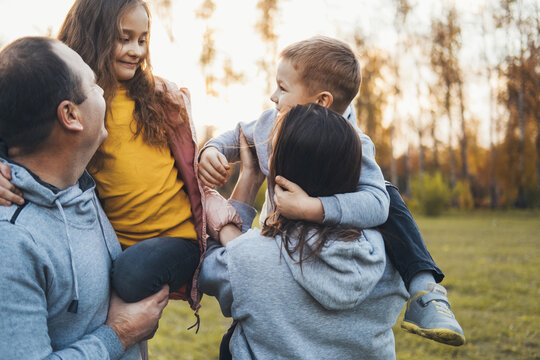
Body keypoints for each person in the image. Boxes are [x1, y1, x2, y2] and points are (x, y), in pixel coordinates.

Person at [198, 36, 465, 346]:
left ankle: (425, 290)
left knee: (389, 194)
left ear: (321, 100)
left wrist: (311, 207)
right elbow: (237, 136)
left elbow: (378, 203)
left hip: (310, 245)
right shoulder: (270, 122)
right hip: (276, 241)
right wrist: (212, 150)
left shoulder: (355, 145)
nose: (272, 97)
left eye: (283, 88)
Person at [0, 0, 240, 325]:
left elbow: (191, 155)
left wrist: (211, 155)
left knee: (129, 277)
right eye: (123, 38)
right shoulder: (75, 103)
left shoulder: (158, 100)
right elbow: (18, 122)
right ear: (93, 36)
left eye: (142, 40)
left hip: (175, 237)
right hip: (115, 241)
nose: (136, 50)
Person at [0, 36, 168, 359]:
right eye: (93, 85)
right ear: (71, 115)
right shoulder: (12, 242)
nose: (103, 91)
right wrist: (122, 333)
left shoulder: (80, 184)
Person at [199, 103, 409, 359]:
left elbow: (207, 265)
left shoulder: (251, 258)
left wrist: (249, 178)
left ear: (280, 174)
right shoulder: (391, 256)